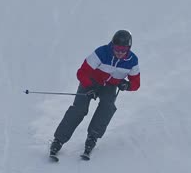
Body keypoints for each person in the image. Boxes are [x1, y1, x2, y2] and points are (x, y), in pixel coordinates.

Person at [50, 30, 141, 158]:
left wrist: (127, 85)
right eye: (117, 48)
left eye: (123, 49)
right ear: (112, 45)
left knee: (108, 107)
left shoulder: (132, 60)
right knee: (79, 109)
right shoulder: (101, 53)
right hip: (90, 82)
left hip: (110, 86)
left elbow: (136, 83)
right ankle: (58, 140)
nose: (120, 52)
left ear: (129, 48)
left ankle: (92, 137)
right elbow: (82, 72)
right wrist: (88, 88)